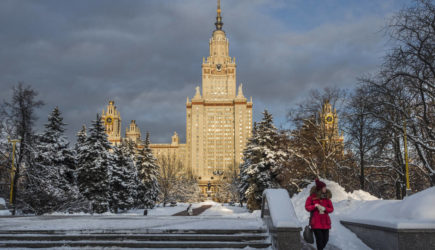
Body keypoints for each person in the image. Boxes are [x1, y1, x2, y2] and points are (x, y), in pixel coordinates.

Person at [305, 179, 334, 250]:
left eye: (325, 187)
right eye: (324, 187)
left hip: (325, 222)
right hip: (316, 222)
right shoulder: (311, 198)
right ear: (320, 189)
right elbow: (307, 207)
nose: (325, 189)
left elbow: (331, 209)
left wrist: (325, 209)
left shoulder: (327, 198)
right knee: (319, 239)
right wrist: (315, 206)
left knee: (326, 239)